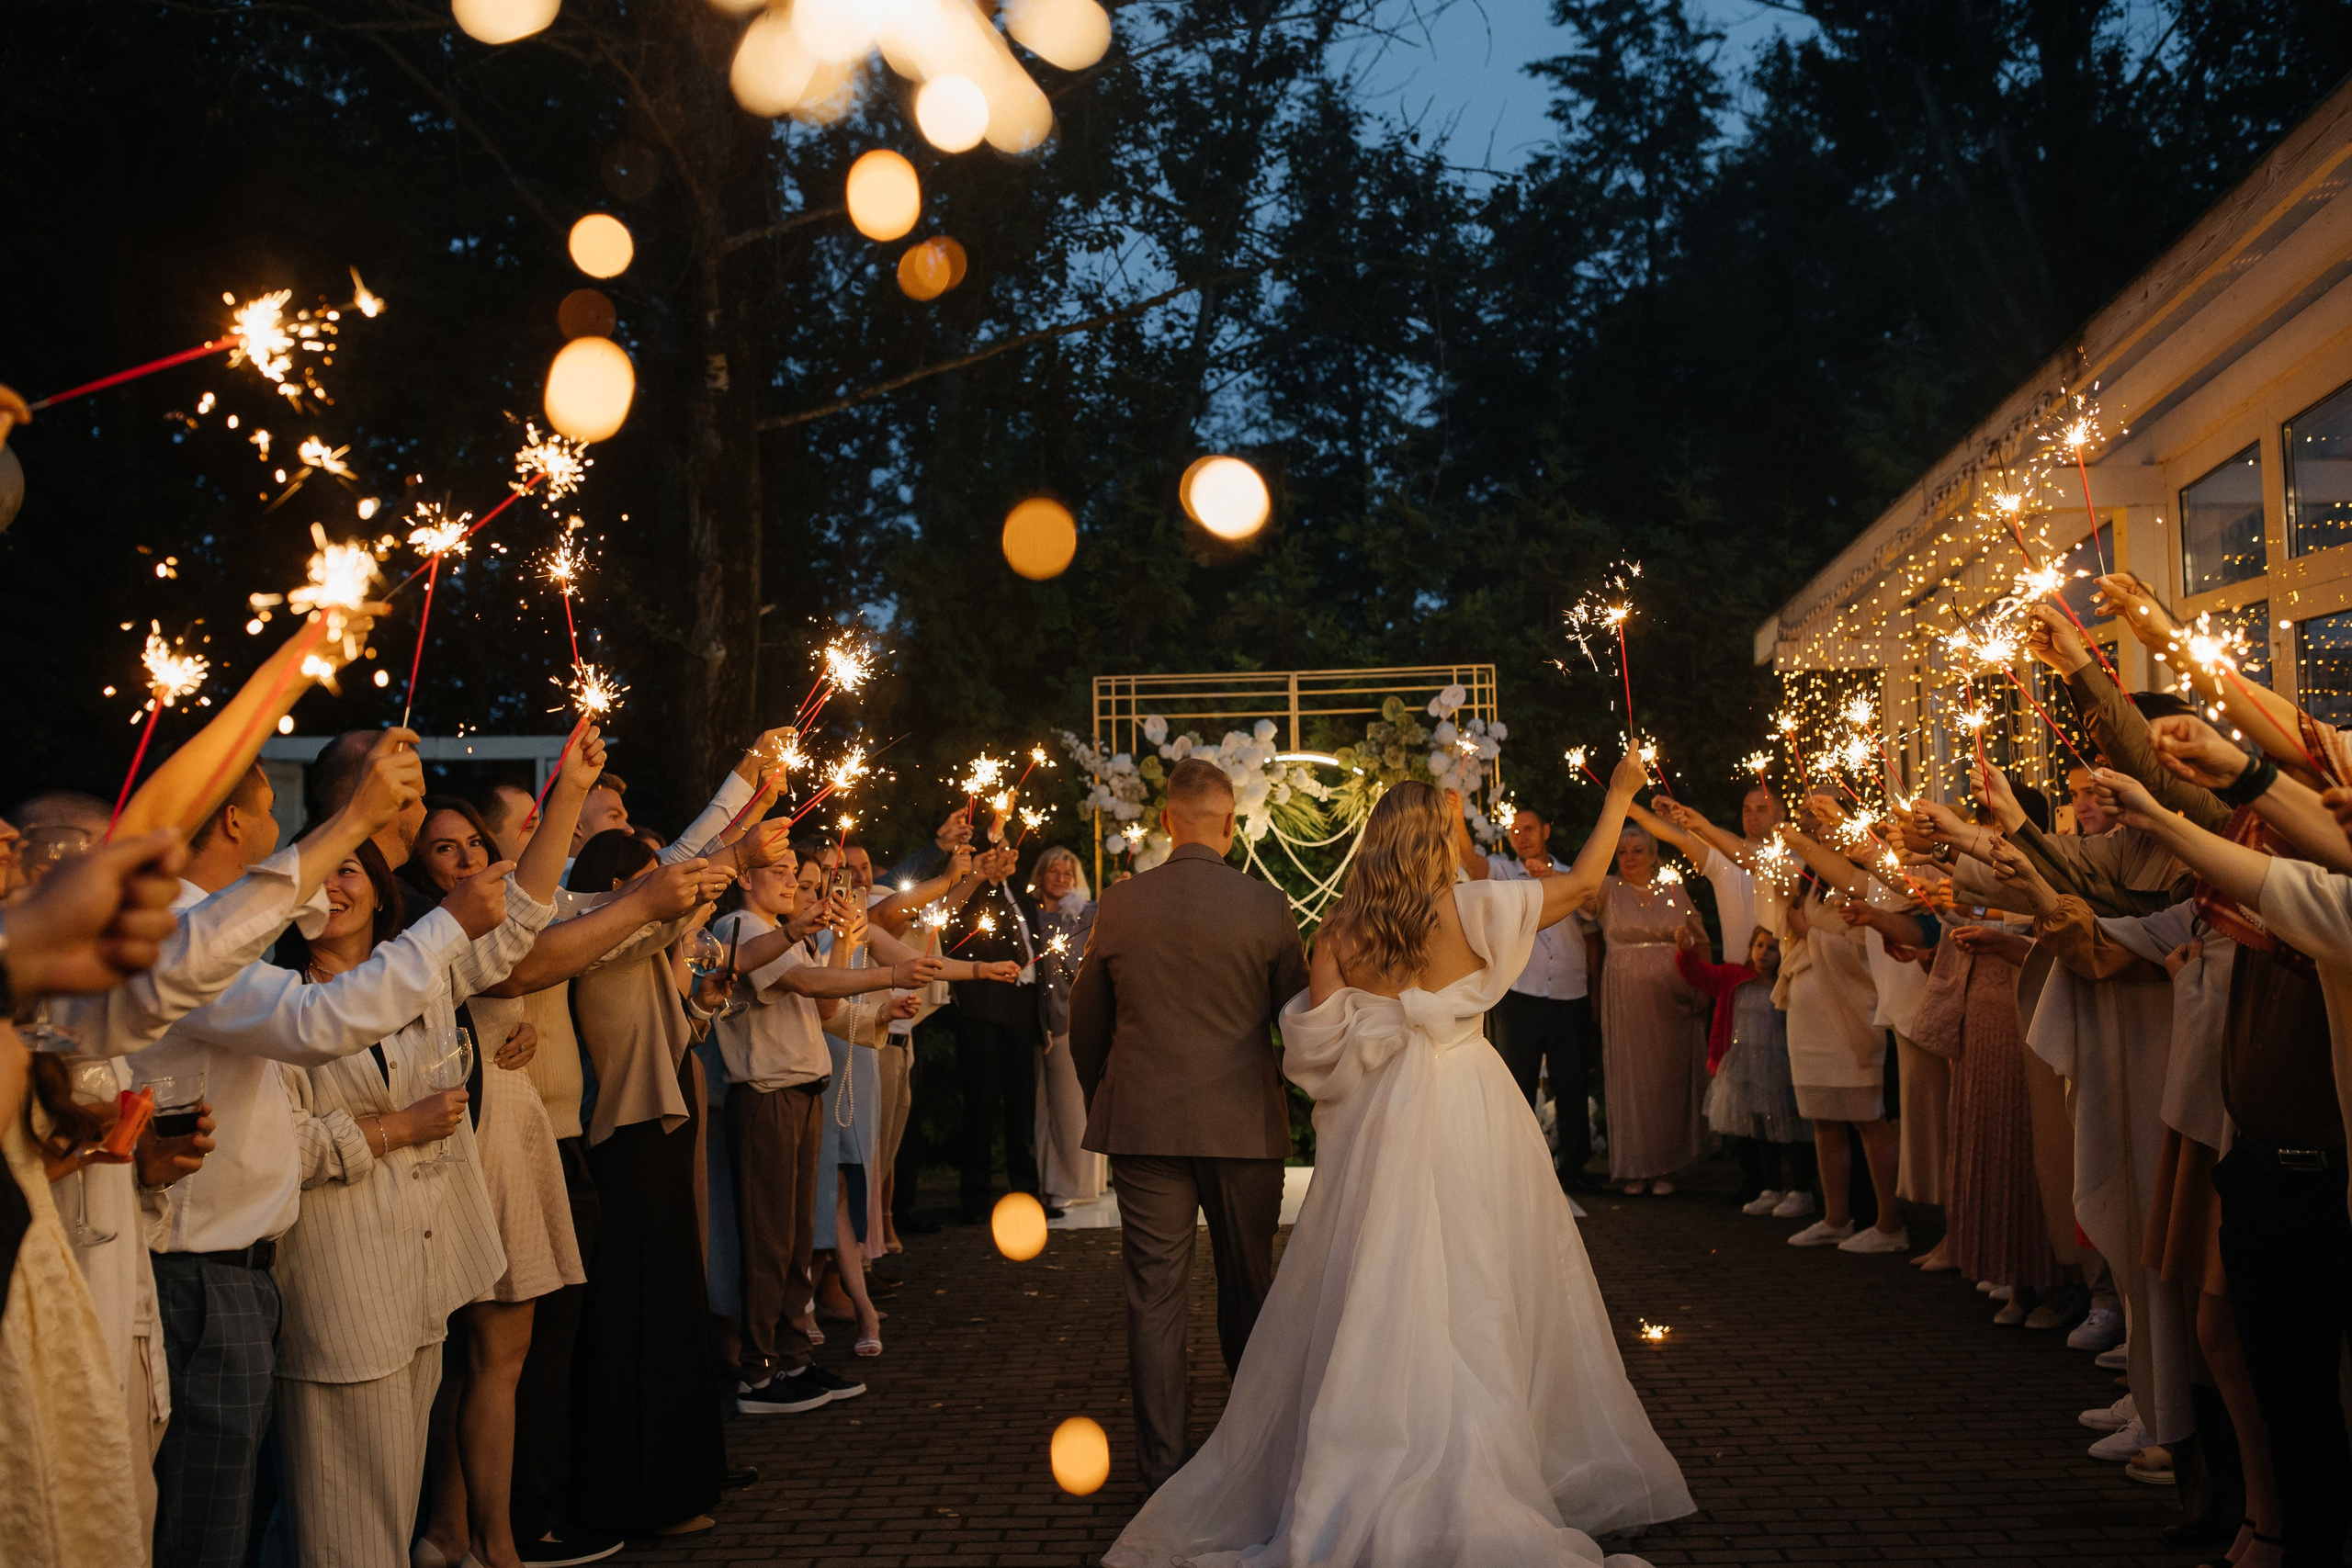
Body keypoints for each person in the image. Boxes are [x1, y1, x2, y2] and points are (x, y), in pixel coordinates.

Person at [1103, 761, 1691, 1566]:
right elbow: (1589, 883)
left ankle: (1364, 1446)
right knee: (1485, 1276)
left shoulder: (1339, 933)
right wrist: (1619, 793)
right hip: (1473, 1108)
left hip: (1382, 1123)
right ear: (1437, 841)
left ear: (1376, 842)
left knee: (1373, 1280)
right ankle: (1498, 1452)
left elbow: (1315, 1050)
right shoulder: (1475, 907)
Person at [262, 776, 557, 1568]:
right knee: (343, 1528)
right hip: (342, 1300)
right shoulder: (273, 1003)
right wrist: (395, 1130)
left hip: (420, 1284)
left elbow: (517, 926)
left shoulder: (414, 977)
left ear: (379, 886)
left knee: (385, 1512)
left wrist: (570, 793)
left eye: (348, 869)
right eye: (315, 872)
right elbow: (279, 1147)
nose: (332, 887)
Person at [1068, 757, 1309, 1491]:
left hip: (1146, 1123)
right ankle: (1256, 1461)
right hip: (1243, 1125)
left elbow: (1086, 1021)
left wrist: (1111, 1093)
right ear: (1231, 823)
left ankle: (1163, 1474)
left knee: (1154, 1300)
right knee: (1251, 1289)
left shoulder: (1120, 903)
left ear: (1166, 820)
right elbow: (1301, 1024)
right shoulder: (1268, 905)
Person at [400, 787, 589, 1568]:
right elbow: (515, 967)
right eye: (444, 847)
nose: (466, 857)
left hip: (509, 1121)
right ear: (419, 866)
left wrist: (524, 1030)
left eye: (474, 841)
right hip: (474, 1137)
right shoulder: (433, 934)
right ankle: (494, 1543)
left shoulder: (471, 930)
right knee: (493, 1358)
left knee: (479, 1362)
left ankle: (449, 1531)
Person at [561, 828, 742, 1540]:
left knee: (670, 1304)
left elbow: (664, 1036)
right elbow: (666, 920)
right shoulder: (600, 938)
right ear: (614, 888)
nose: (658, 893)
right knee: (640, 1314)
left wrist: (700, 1006)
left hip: (658, 1135)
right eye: (644, 879)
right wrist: (731, 858)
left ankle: (678, 1480)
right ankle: (639, 1493)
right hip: (626, 1143)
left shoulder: (635, 945)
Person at [1773, 798, 1905, 1252]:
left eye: (1822, 818)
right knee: (1823, 1118)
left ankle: (1889, 1222)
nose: (1814, 826)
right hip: (1808, 1015)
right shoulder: (1810, 881)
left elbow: (1868, 941)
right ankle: (1836, 1217)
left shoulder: (1869, 876)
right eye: (1809, 820)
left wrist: (1811, 932)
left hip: (1850, 1011)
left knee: (1868, 1118)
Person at [1464, 802, 1603, 1190]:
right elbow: (1471, 863)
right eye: (1515, 830)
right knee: (1516, 1083)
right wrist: (1457, 816)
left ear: (1546, 831)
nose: (1521, 836)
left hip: (1569, 994)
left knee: (1571, 1084)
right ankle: (1515, 1167)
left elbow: (1593, 917)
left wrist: (1594, 992)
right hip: (1519, 995)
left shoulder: (1573, 876)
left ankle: (1574, 1167)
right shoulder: (1504, 873)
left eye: (1528, 828)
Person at [1592, 823, 1710, 1196]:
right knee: (1631, 1078)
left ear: (1654, 855)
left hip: (1672, 999)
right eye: (1622, 851)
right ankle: (1635, 1166)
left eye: (1637, 850)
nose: (1628, 858)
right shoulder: (1608, 888)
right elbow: (1578, 898)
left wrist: (1700, 977)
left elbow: (1699, 938)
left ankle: (1667, 1166)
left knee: (1667, 1079)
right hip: (1626, 999)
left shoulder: (1672, 888)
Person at [1676, 923, 1814, 1212]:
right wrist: (1687, 951)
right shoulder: (1734, 977)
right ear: (1751, 948)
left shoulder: (1787, 982)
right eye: (1760, 946)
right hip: (1747, 1067)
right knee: (1760, 1128)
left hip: (1782, 1067)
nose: (1764, 953)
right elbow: (1700, 975)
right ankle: (1771, 1187)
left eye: (1772, 948)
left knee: (1792, 1128)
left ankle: (1800, 1189)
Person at [944, 843, 1047, 1222]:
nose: (1010, 857)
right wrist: (981, 878)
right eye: (1000, 852)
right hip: (984, 1012)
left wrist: (1041, 1021)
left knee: (1023, 1110)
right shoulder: (975, 896)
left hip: (1022, 1012)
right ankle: (974, 1201)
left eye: (1012, 852)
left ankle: (1027, 1195)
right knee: (981, 1108)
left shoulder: (1021, 896)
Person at [1030, 845, 1105, 1209]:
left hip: (1069, 1019)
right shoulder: (1028, 915)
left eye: (1067, 873)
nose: (1060, 879)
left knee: (1070, 1108)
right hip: (1034, 1020)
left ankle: (1073, 1184)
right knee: (1042, 1107)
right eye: (1053, 871)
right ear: (1040, 875)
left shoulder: (1085, 915)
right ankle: (1045, 1179)